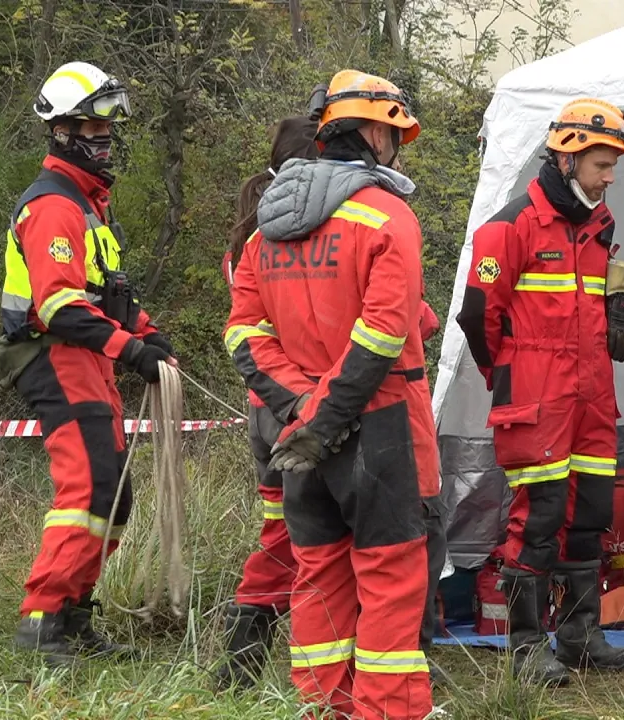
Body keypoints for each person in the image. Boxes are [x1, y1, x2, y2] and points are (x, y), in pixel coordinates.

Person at [225, 70, 434, 718]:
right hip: (383, 429)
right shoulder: (386, 216)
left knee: (317, 582)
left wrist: (302, 411)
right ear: (375, 131)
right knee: (391, 586)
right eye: (395, 133)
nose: (397, 146)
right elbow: (383, 331)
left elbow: (242, 334)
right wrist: (333, 413)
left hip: (299, 440)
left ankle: (322, 710)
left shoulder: (265, 234)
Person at [0, 61, 175, 665]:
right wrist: (133, 351)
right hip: (53, 354)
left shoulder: (92, 207)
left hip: (87, 356)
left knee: (114, 493)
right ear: (63, 130)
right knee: (89, 486)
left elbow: (107, 293)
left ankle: (75, 614)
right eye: (96, 128)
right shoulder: (53, 206)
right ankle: (42, 622)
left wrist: (150, 335)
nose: (106, 139)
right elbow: (61, 307)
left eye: (108, 128)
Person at [455, 97, 624, 685]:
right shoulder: (509, 227)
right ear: (566, 159)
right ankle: (527, 649)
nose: (610, 176)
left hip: (591, 397)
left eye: (614, 164)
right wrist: (506, 375)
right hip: (537, 397)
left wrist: (616, 308)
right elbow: (477, 316)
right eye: (602, 164)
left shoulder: (599, 224)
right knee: (539, 520)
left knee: (589, 514)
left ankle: (580, 637)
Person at [216, 115, 319, 691]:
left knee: (285, 532)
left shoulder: (251, 236)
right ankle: (245, 660)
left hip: (267, 405)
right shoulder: (285, 239)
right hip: (293, 405)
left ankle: (244, 660)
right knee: (299, 537)